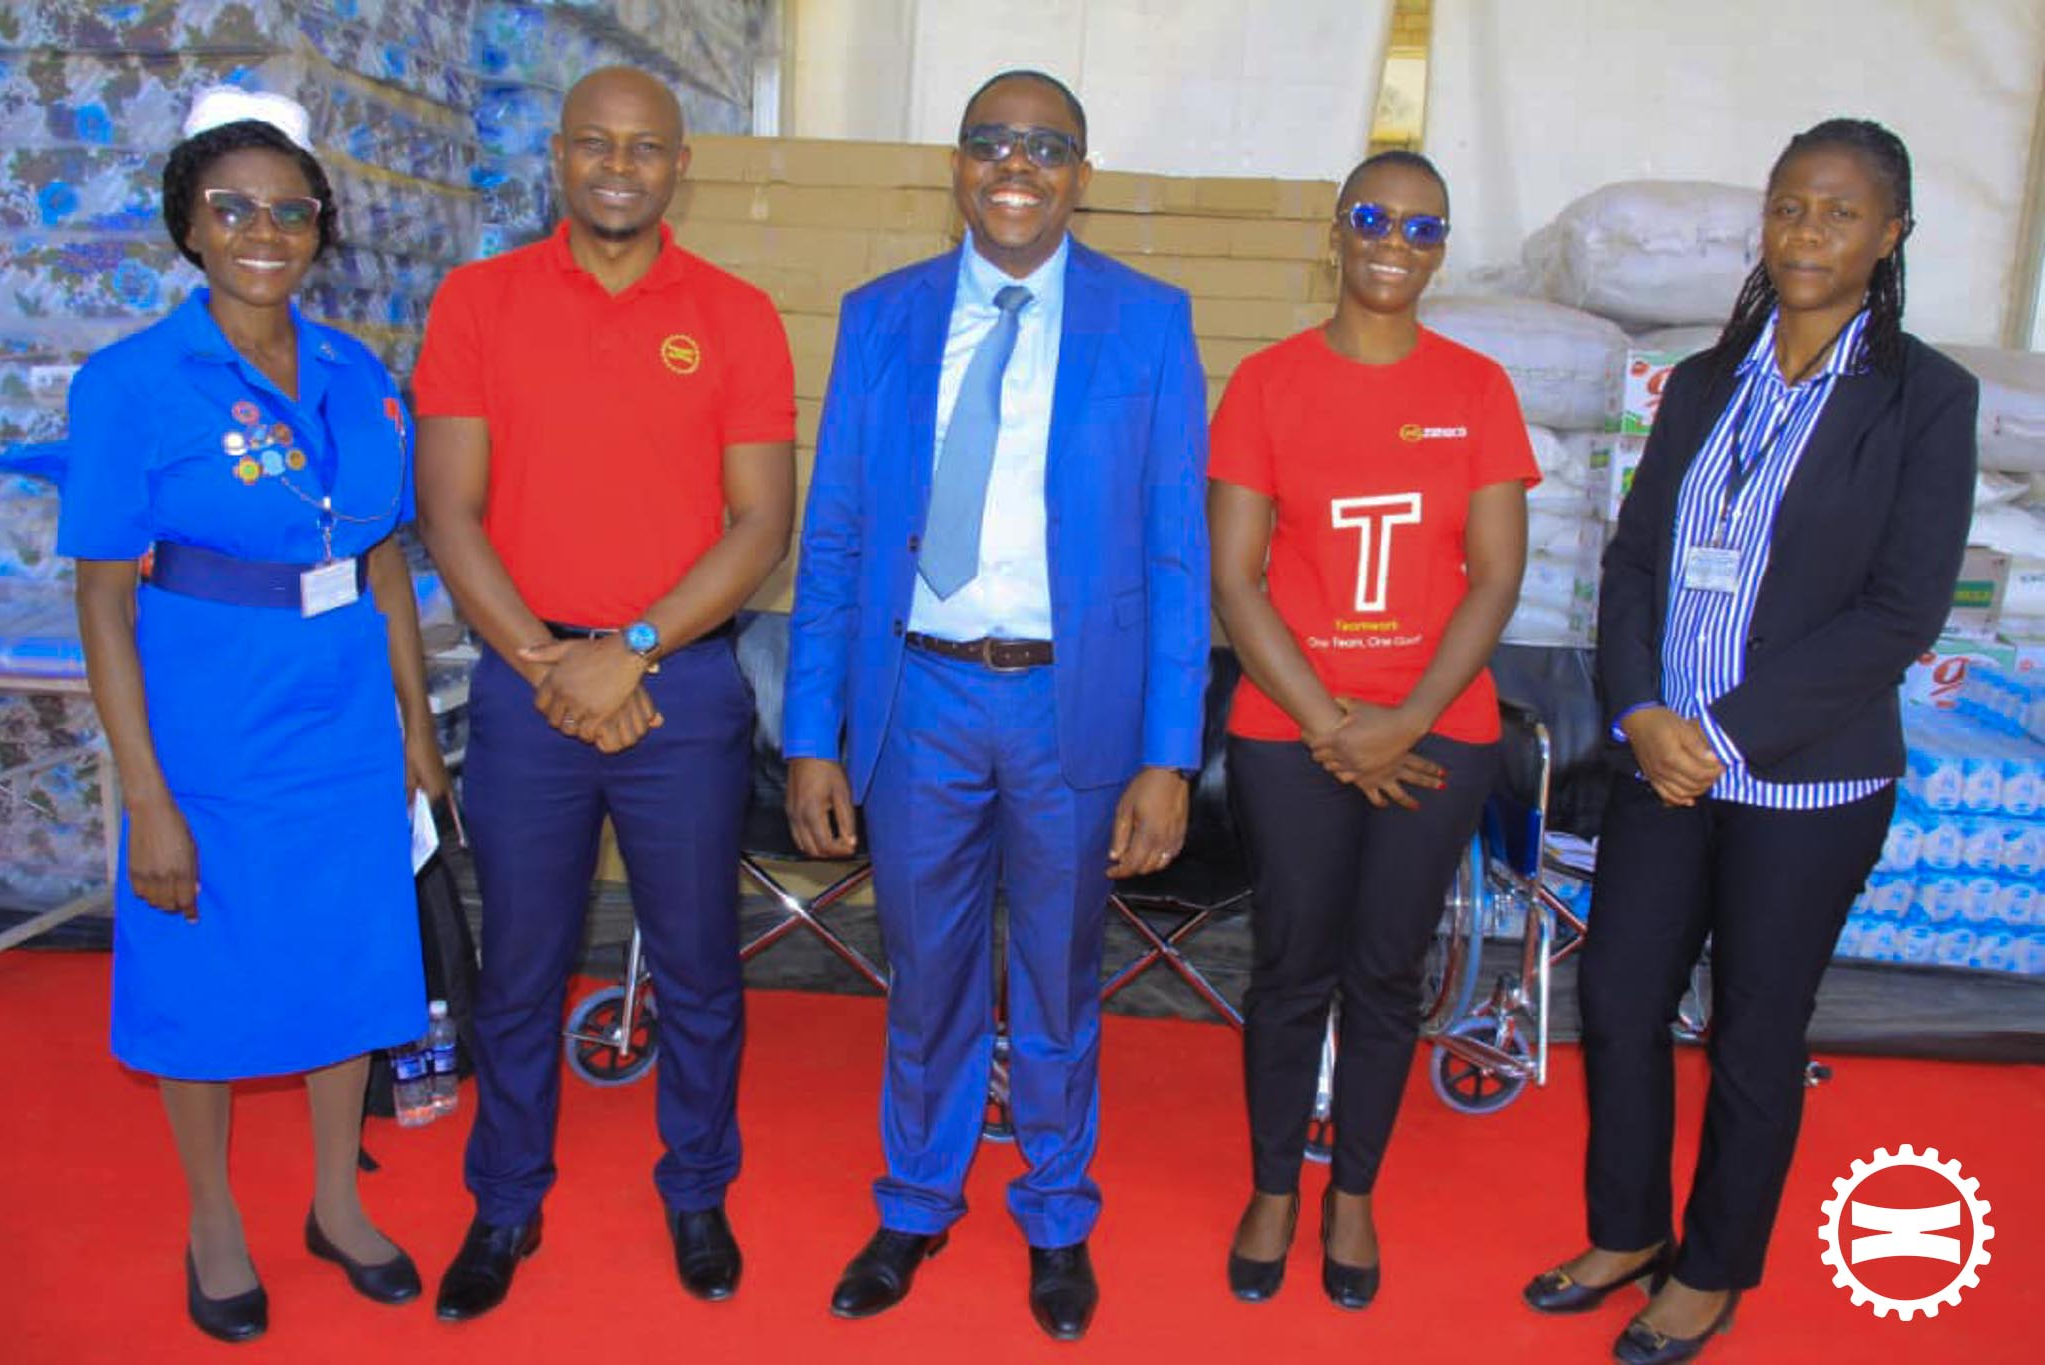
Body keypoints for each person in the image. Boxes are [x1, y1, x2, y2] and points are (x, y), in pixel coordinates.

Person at [1522, 119, 1976, 1364]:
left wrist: (1717, 735)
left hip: (1805, 780)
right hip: (1663, 761)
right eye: (1786, 207)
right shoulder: (1702, 383)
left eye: (1838, 212)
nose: (1805, 232)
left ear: (1889, 235)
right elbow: (1630, 566)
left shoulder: (1925, 399)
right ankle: (1626, 1232)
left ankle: (1710, 1269)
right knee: (1616, 996)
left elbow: (1900, 610)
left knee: (1754, 1031)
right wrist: (1639, 714)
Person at [782, 69, 1209, 1343]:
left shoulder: (1148, 323)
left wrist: (1167, 756)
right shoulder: (881, 317)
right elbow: (835, 537)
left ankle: (1057, 1212)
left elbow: (1176, 554)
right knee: (925, 971)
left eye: (1044, 146)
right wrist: (811, 733)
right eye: (989, 142)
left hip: (1070, 704)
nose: (1014, 166)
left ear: (1080, 174)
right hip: (917, 696)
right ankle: (915, 1200)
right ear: (955, 166)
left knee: (1060, 974)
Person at [58, 87, 443, 1343]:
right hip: (208, 722)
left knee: (349, 957)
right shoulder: (130, 385)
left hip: (345, 716)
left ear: (321, 225)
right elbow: (103, 601)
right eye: (231, 209)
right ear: (188, 225)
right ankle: (215, 1220)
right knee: (203, 966)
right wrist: (147, 796)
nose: (263, 232)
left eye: (290, 210)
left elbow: (382, 560)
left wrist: (417, 729)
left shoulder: (356, 374)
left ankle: (336, 1203)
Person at [412, 66, 795, 1319]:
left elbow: (760, 525)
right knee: (523, 965)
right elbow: (448, 512)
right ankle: (504, 1200)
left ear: (680, 164)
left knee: (696, 962)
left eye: (642, 147)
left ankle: (696, 1189)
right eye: (593, 142)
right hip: (530, 690)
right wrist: (549, 662)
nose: (617, 166)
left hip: (678, 687)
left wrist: (626, 649)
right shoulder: (478, 302)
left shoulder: (736, 316)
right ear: (559, 158)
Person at [1208, 151, 1535, 1310]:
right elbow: (1235, 579)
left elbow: (1494, 579)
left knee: (1387, 972)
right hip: (1288, 727)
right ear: (1335, 230)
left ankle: (1351, 1193)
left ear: (1440, 248)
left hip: (1436, 729)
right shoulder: (1266, 385)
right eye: (1372, 217)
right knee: (1291, 964)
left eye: (1420, 226)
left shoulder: (1477, 390)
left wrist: (1404, 722)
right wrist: (1330, 726)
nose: (1394, 241)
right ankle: (1271, 1189)